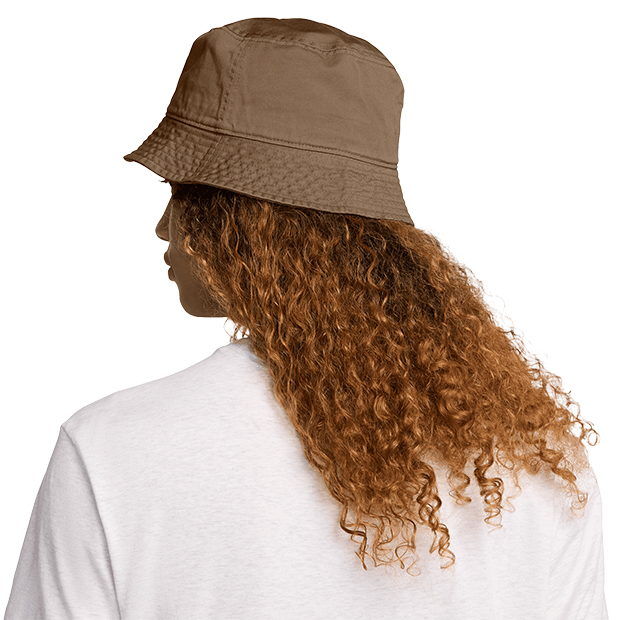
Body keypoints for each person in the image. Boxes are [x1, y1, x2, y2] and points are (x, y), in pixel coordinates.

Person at [4, 17, 608, 620]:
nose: (163, 227)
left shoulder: (110, 451)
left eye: (179, 193)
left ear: (238, 221)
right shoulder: (542, 463)